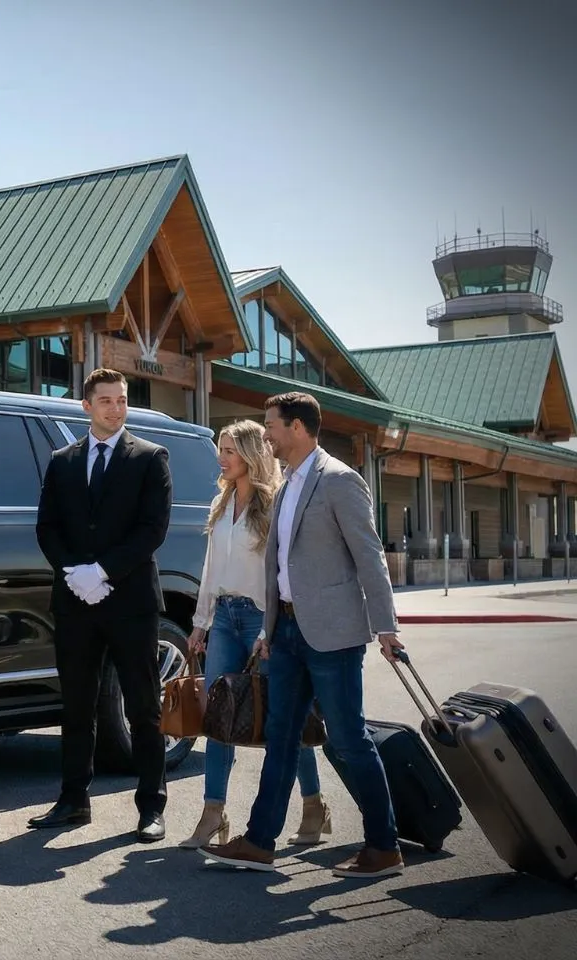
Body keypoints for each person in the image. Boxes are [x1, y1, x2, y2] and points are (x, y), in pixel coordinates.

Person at [201, 392, 405, 878]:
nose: (266, 435)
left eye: (271, 426)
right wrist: (269, 629)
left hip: (332, 634)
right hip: (286, 632)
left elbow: (369, 556)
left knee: (349, 739)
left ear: (296, 427)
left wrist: (386, 626)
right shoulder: (288, 482)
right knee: (281, 737)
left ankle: (384, 847)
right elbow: (278, 565)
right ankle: (260, 842)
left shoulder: (339, 480)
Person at [30, 367, 174, 842]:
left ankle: (151, 806)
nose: (116, 408)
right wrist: (75, 573)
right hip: (75, 602)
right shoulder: (62, 460)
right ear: (87, 406)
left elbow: (152, 530)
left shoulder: (150, 458)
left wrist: (104, 572)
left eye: (122, 400)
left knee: (143, 707)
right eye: (107, 400)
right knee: (76, 706)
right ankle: (73, 801)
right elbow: (47, 526)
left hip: (130, 602)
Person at [178, 419, 332, 850]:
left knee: (283, 718)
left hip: (263, 620)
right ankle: (213, 813)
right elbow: (211, 568)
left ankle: (314, 804)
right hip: (225, 618)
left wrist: (270, 627)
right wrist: (200, 622)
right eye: (221, 449)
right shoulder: (221, 502)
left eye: (229, 450)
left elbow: (281, 572)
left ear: (250, 454)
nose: (221, 458)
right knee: (218, 717)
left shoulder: (275, 503)